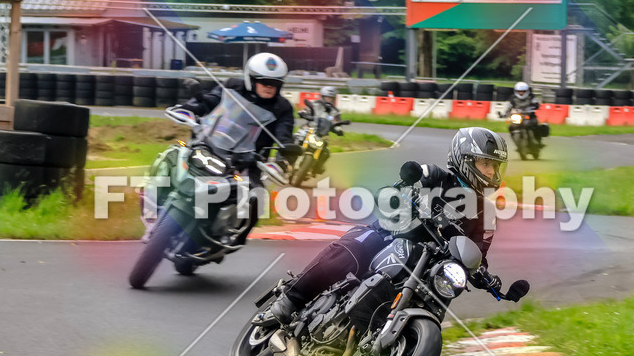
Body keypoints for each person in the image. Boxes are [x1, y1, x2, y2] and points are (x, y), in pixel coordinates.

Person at [258, 127, 524, 325]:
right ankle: (290, 299)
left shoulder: (485, 213)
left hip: (429, 267)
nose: (491, 172)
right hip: (392, 236)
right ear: (464, 160)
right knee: (358, 247)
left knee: (442, 294)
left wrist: (486, 276)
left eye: (495, 166)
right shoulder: (434, 175)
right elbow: (403, 184)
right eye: (485, 164)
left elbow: (477, 253)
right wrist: (404, 193)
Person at [180, 52, 298, 244]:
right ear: (250, 79)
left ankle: (235, 237)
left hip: (250, 160)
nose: (270, 87)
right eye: (264, 81)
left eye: (275, 83)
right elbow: (211, 100)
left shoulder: (282, 107)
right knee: (180, 154)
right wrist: (190, 109)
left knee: (256, 195)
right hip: (214, 144)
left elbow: (284, 136)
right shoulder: (232, 86)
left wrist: (283, 159)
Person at [296, 85, 344, 173]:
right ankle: (286, 159)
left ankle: (316, 168)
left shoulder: (335, 111)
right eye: (327, 97)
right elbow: (306, 110)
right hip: (309, 128)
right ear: (322, 96)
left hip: (322, 134)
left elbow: (336, 122)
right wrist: (303, 113)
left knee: (326, 152)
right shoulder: (314, 104)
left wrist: (338, 129)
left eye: (331, 98)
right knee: (296, 137)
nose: (329, 100)